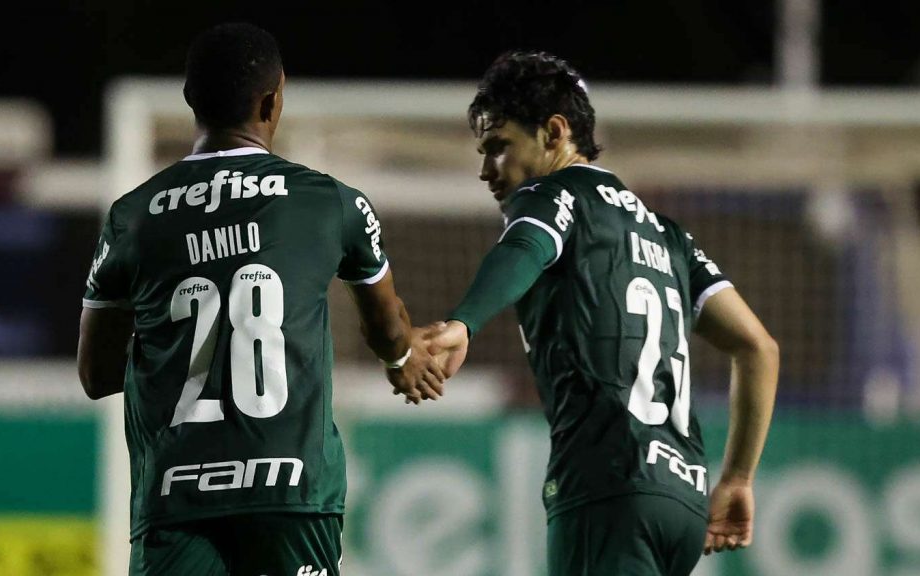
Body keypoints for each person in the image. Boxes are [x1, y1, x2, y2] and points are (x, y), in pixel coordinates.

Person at [76, 22, 445, 576]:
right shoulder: (331, 201)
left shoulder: (132, 216)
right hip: (293, 494)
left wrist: (182, 347)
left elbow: (96, 374)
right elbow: (388, 323)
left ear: (188, 101)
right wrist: (402, 358)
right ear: (273, 100)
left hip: (177, 497)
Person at [427, 50, 779, 575]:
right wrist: (738, 480)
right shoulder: (670, 236)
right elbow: (759, 348)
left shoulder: (553, 195)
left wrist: (463, 323)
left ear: (553, 132)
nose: (485, 171)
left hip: (608, 484)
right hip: (681, 496)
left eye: (498, 146)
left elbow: (524, 248)